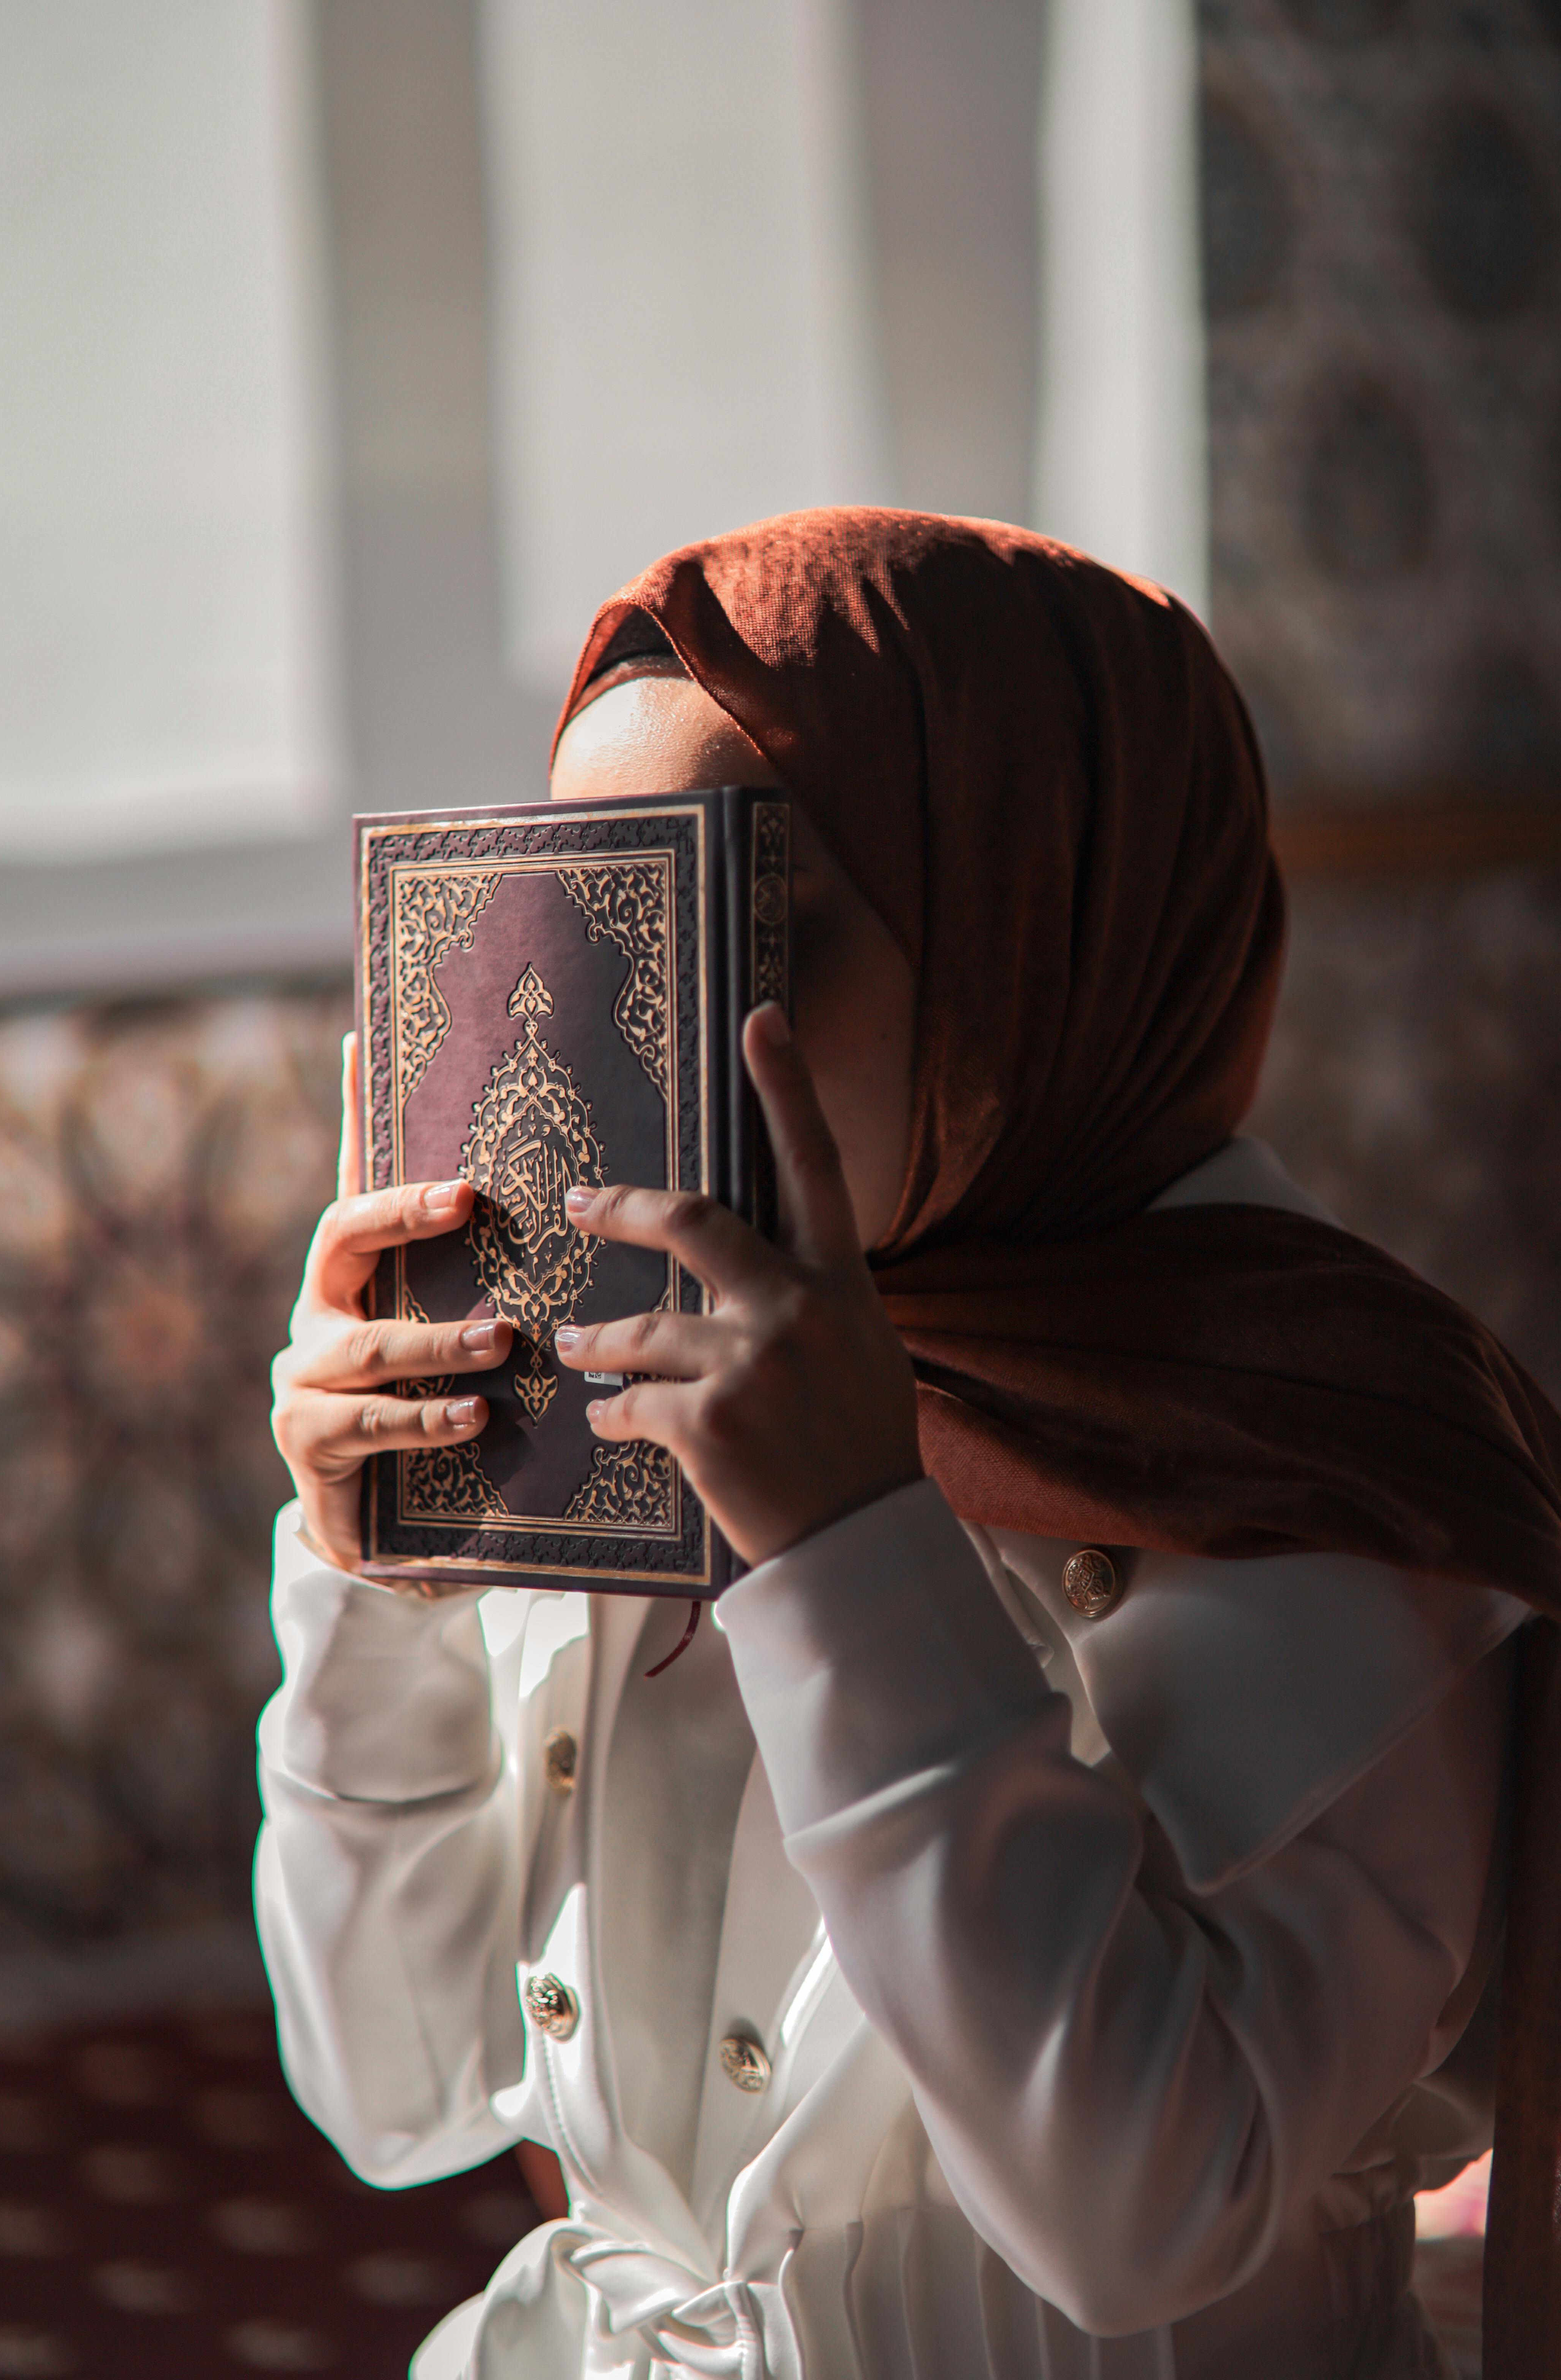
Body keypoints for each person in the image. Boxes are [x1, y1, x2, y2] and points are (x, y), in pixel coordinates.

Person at [260, 510, 1561, 2380]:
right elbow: (391, 2095)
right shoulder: (608, 1387)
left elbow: (1130, 2215)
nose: (651, 1046)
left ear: (1037, 943)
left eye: (753, 934)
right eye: (604, 919)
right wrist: (367, 1582)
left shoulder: (1326, 1473)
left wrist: (848, 1549)